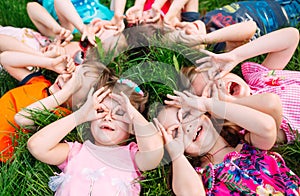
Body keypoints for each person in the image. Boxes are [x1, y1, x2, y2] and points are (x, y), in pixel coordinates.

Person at [26, 74, 164, 195]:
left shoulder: (132, 158)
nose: (108, 117)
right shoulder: (76, 152)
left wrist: (134, 116)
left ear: (133, 128)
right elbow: (37, 146)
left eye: (120, 113)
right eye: (101, 110)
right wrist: (79, 116)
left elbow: (155, 150)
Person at [156, 89, 300, 195]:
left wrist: (208, 104)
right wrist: (176, 154)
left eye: (186, 115)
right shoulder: (202, 177)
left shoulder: (248, 144)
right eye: (175, 133)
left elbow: (267, 127)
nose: (186, 128)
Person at [182, 27, 299, 144]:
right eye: (212, 92)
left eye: (216, 74)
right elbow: (271, 103)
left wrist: (236, 56)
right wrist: (224, 105)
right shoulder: (251, 129)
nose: (219, 83)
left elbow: (291, 36)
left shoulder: (257, 79)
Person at [0, 47, 106, 162]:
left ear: (80, 104)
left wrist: (65, 92)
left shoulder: (57, 115)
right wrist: (49, 63)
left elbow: (23, 118)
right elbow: (5, 59)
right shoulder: (41, 83)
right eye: (71, 72)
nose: (65, 77)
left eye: (74, 84)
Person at [28, 0, 127, 46]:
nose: (101, 26)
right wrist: (118, 14)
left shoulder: (73, 31)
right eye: (109, 28)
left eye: (98, 32)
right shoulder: (109, 18)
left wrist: (82, 28)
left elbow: (60, 2)